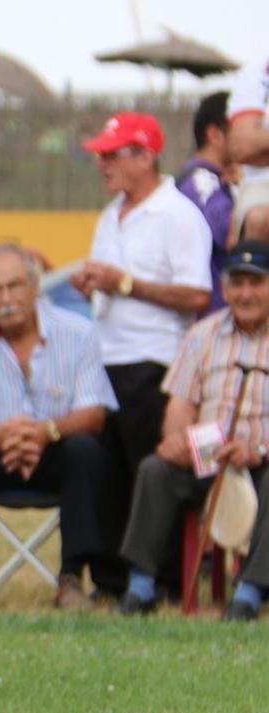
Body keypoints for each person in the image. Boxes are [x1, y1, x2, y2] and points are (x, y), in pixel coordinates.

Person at [0, 245, 120, 610]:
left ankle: (72, 578)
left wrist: (46, 432)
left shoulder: (78, 332)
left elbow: (94, 413)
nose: (6, 298)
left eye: (14, 286)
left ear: (35, 287)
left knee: (87, 449)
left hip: (55, 453)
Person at [70, 112, 212, 597]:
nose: (101, 164)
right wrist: (94, 284)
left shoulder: (178, 215)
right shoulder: (111, 215)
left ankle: (163, 578)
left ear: (145, 156)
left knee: (149, 473)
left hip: (153, 360)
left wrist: (124, 284)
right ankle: (111, 579)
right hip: (106, 359)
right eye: (100, 155)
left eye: (111, 155)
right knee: (108, 474)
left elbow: (196, 296)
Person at [118, 241, 269, 621]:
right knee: (156, 469)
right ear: (225, 287)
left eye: (257, 283)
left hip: (261, 460)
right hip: (209, 456)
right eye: (237, 283)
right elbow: (181, 404)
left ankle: (250, 591)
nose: (246, 293)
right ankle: (141, 585)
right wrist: (176, 440)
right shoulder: (203, 334)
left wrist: (257, 448)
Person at [177, 91, 236, 312]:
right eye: (240, 128)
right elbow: (230, 237)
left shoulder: (218, 179)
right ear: (215, 134)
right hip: (212, 324)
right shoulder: (200, 181)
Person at [228, 56, 269, 242]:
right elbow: (242, 147)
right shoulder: (258, 70)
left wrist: (261, 142)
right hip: (260, 187)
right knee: (259, 219)